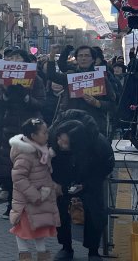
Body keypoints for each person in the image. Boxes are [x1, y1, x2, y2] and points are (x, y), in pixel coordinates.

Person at [0, 49, 46, 217]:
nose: (15, 60)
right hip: (9, 129)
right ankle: (12, 204)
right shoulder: (3, 80)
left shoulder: (35, 79)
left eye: (19, 58)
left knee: (29, 169)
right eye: (12, 58)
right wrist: (7, 95)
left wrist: (26, 98)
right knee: (10, 168)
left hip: (30, 130)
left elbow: (41, 103)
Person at [49, 110, 114, 261]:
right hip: (62, 174)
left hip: (89, 175)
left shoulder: (99, 144)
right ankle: (66, 247)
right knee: (59, 211)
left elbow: (106, 167)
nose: (60, 143)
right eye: (59, 139)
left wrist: (86, 184)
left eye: (65, 143)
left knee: (95, 211)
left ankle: (93, 251)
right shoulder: (52, 136)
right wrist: (53, 183)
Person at [9, 118, 60, 261]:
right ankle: (25, 255)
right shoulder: (25, 154)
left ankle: (42, 255)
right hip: (28, 202)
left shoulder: (40, 151)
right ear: (33, 136)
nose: (47, 135)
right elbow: (18, 178)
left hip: (39, 200)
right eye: (44, 133)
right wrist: (36, 195)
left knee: (39, 228)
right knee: (23, 230)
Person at [45, 46, 116, 135]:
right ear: (76, 59)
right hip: (70, 123)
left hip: (94, 125)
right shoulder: (70, 77)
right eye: (80, 56)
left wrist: (97, 103)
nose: (83, 58)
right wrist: (51, 57)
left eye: (87, 56)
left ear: (93, 59)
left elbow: (113, 104)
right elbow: (51, 75)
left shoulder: (101, 79)